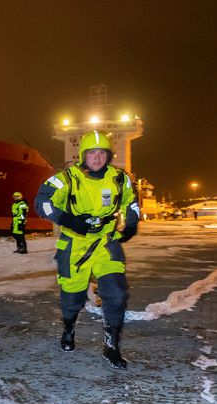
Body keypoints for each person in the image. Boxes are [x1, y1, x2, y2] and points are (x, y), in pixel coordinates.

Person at [35, 130, 139, 370]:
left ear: (109, 155)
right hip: (74, 245)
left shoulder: (119, 179)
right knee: (72, 299)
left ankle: (111, 347)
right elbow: (42, 203)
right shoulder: (67, 179)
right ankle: (69, 328)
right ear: (83, 155)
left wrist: (131, 224)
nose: (97, 157)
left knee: (116, 294)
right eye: (92, 152)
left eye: (102, 152)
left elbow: (131, 202)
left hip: (105, 243)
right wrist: (68, 220)